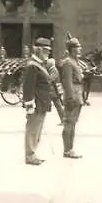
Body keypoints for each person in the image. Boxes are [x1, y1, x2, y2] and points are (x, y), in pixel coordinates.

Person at [22, 37, 53, 165]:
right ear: (38, 50)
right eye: (45, 50)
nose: (48, 52)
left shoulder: (40, 64)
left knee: (37, 130)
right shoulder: (32, 66)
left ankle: (33, 153)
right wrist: (29, 105)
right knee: (32, 130)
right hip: (36, 104)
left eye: (48, 50)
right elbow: (28, 87)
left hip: (42, 103)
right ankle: (30, 155)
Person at [60, 36, 84, 159]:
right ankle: (67, 150)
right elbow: (67, 82)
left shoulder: (75, 61)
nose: (80, 49)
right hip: (72, 96)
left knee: (73, 123)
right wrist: (70, 98)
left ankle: (70, 149)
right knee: (69, 123)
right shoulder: (68, 62)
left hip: (78, 95)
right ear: (71, 49)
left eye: (79, 46)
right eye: (77, 47)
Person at [45, 58, 65, 125]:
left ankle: (64, 120)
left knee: (58, 105)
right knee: (57, 105)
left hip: (53, 91)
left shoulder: (53, 70)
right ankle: (63, 120)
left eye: (47, 63)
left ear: (50, 64)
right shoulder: (52, 70)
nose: (46, 65)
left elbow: (50, 79)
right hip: (52, 91)